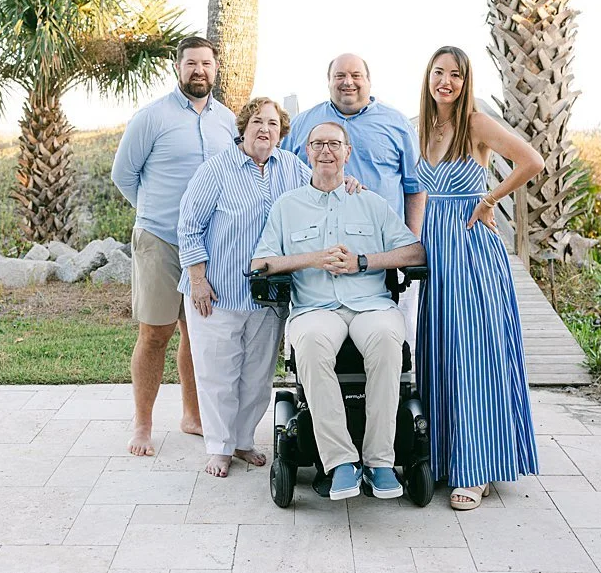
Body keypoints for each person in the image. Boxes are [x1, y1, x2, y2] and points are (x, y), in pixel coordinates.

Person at [252, 121, 426, 501]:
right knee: (312, 343)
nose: (326, 151)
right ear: (307, 152)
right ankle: (341, 462)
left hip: (370, 304)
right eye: (317, 144)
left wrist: (363, 261)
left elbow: (415, 252)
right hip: (315, 308)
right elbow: (261, 263)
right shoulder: (287, 207)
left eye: (334, 144)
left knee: (387, 339)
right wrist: (312, 258)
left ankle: (380, 461)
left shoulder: (371, 203)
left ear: (347, 152)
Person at [412, 46, 544, 510]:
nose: (446, 81)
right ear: (428, 77)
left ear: (466, 81)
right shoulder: (422, 127)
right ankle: (447, 457)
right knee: (443, 355)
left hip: (471, 253)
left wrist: (489, 200)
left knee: (473, 356)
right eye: (439, 72)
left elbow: (531, 161)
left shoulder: (476, 124)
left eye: (456, 74)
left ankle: (477, 467)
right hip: (435, 256)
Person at [111, 35, 236, 456]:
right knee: (155, 333)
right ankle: (143, 424)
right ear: (177, 68)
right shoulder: (152, 117)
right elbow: (123, 175)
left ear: (216, 68)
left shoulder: (228, 121)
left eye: (206, 63)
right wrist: (155, 213)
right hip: (160, 239)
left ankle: (192, 416)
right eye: (191, 63)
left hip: (209, 247)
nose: (199, 71)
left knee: (196, 332)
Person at [177, 98, 310, 477]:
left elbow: (321, 192)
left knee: (257, 377)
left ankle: (242, 440)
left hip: (268, 296)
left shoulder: (292, 167)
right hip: (216, 291)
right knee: (217, 373)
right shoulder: (216, 169)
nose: (264, 129)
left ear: (282, 132)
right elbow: (189, 226)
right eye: (257, 122)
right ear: (243, 128)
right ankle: (219, 447)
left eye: (272, 123)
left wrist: (348, 183)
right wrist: (198, 280)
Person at [286, 53, 427, 338]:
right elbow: (286, 178)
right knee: (319, 334)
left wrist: (408, 245)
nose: (347, 82)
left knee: (392, 335)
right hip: (317, 255)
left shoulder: (397, 124)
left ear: (369, 81)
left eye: (355, 75)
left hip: (382, 253)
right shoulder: (303, 124)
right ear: (328, 81)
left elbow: (415, 188)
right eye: (339, 76)